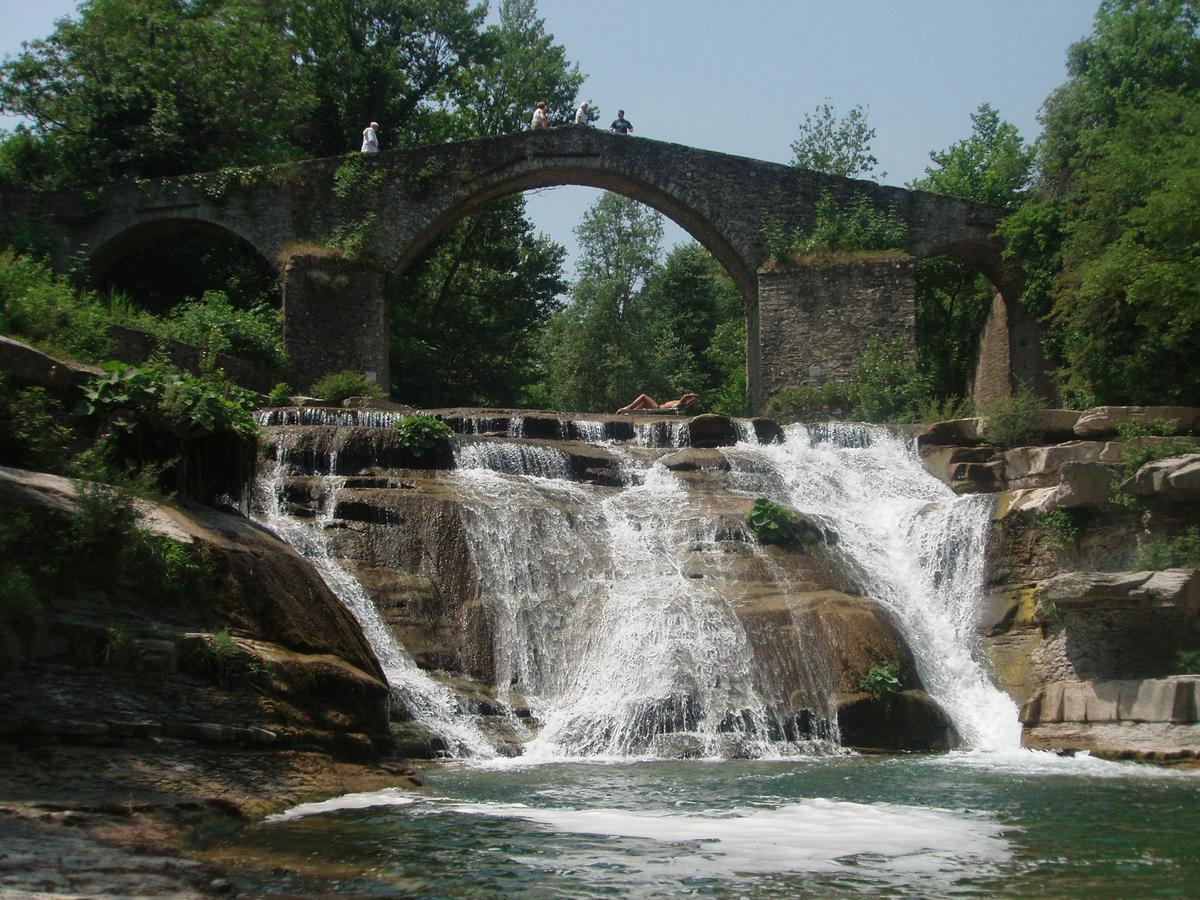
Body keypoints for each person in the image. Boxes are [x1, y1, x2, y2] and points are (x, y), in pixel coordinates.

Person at [617, 392, 700, 414]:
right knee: (643, 403)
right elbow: (688, 399)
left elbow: (686, 396)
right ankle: (632, 412)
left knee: (643, 396)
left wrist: (693, 395)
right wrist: (693, 399)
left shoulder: (681, 404)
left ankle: (628, 408)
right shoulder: (680, 403)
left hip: (658, 409)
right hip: (657, 407)